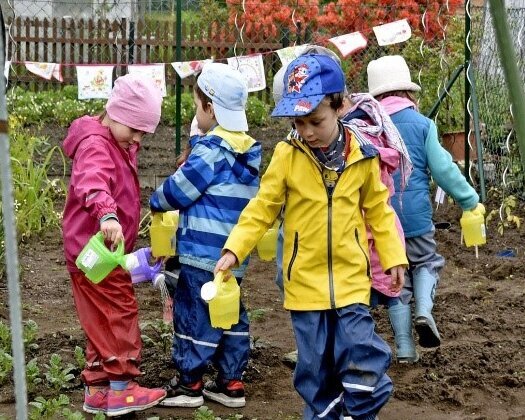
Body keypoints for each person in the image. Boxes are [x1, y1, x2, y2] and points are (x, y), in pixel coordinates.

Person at [215, 54, 408, 420]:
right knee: (315, 369)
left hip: (351, 279)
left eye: (315, 121)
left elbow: (379, 211)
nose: (306, 131)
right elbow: (262, 207)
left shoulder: (363, 156)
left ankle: (357, 409)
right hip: (304, 284)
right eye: (298, 122)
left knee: (362, 352)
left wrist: (394, 255)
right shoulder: (287, 155)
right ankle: (324, 413)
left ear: (339, 106)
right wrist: (234, 249)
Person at [149, 62, 261, 409]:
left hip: (200, 253)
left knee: (194, 314)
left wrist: (157, 199)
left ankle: (189, 383)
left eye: (199, 105)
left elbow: (180, 191)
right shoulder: (249, 151)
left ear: (209, 107)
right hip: (232, 254)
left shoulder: (210, 151)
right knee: (228, 313)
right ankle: (231, 381)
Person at [61, 73, 167, 417]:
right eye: (135, 130)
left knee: (98, 318)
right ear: (116, 112)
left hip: (87, 250)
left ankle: (97, 388)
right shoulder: (96, 144)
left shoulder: (115, 139)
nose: (138, 139)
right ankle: (123, 389)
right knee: (120, 310)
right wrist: (108, 216)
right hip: (99, 247)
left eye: (143, 133)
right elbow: (93, 181)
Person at [366, 55, 481, 351]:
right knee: (427, 262)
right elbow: (444, 170)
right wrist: (469, 200)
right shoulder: (422, 125)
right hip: (416, 219)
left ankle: (404, 348)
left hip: (382, 222)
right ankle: (424, 312)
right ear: (408, 92)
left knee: (397, 279)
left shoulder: (367, 127)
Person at [341, 93, 418, 363]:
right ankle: (405, 347)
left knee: (360, 296)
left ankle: (362, 351)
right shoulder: (377, 131)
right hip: (385, 222)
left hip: (361, 225)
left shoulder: (352, 141)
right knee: (394, 290)